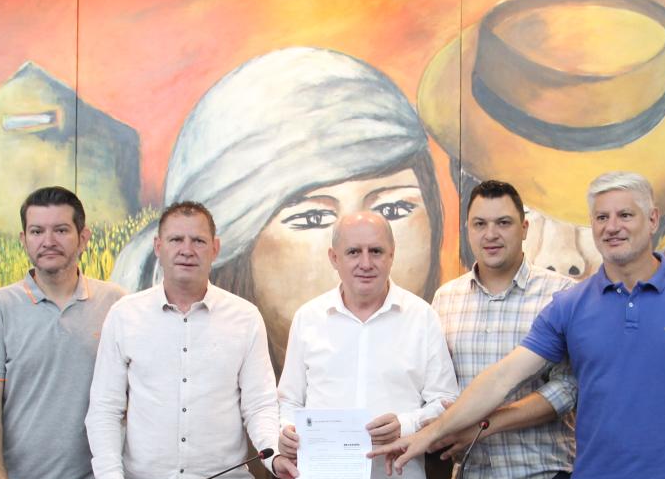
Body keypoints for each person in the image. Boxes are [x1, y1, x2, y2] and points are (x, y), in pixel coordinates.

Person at [374, 171, 665, 479]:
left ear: (652, 220)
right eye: (601, 217)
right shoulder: (570, 304)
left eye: (625, 215)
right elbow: (503, 376)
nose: (612, 227)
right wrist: (430, 433)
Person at [108, 47, 443, 368]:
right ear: (233, 252)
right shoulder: (155, 334)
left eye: (393, 210)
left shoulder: (427, 325)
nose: (356, 248)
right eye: (312, 217)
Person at [86, 201, 286, 479]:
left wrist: (273, 455)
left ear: (215, 248)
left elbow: (260, 405)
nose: (187, 250)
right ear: (158, 247)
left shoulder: (245, 317)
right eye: (176, 239)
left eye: (198, 241)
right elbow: (104, 409)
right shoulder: (125, 315)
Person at [276, 210, 457, 479]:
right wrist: (286, 432)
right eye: (353, 252)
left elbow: (445, 400)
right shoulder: (308, 318)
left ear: (391, 255)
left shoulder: (422, 317)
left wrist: (405, 425)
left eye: (376, 251)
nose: (365, 262)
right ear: (334, 258)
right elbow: (289, 401)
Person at [0, 187, 126, 479]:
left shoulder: (115, 302)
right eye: (37, 231)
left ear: (83, 238)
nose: (48, 241)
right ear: (23, 239)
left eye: (61, 230)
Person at [430, 179, 577, 479]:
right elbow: (437, 387)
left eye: (503, 223)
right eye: (480, 224)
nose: (491, 234)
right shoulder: (445, 300)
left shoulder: (562, 294)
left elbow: (569, 387)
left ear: (524, 228)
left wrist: (484, 425)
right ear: (467, 230)